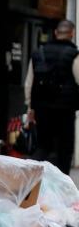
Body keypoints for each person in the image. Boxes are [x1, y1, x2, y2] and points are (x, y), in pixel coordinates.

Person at [24, 20, 79, 174]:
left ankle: (31, 180)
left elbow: (29, 83)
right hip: (65, 111)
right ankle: (62, 188)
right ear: (72, 34)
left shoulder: (38, 53)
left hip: (42, 109)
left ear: (55, 33)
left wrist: (30, 107)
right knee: (64, 151)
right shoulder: (74, 55)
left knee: (43, 147)